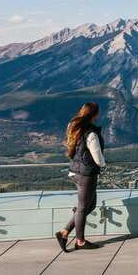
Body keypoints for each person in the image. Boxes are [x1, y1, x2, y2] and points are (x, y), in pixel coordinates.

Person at [55, 102, 106, 251]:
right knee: (84, 207)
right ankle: (80, 241)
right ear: (95, 114)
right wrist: (103, 164)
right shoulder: (90, 133)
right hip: (86, 173)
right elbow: (97, 155)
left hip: (75, 171)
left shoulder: (74, 127)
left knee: (90, 205)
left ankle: (64, 233)